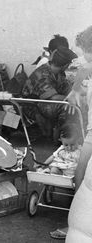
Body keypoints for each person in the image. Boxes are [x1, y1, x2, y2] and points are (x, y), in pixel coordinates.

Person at [63, 25, 92, 242]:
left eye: (84, 52)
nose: (83, 58)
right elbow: (76, 106)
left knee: (81, 178)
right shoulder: (84, 73)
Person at [22, 46, 78, 139]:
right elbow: (53, 97)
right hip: (32, 106)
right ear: (65, 65)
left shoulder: (59, 73)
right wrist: (72, 98)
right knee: (66, 106)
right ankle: (61, 136)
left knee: (77, 102)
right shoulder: (42, 74)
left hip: (44, 103)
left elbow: (67, 89)